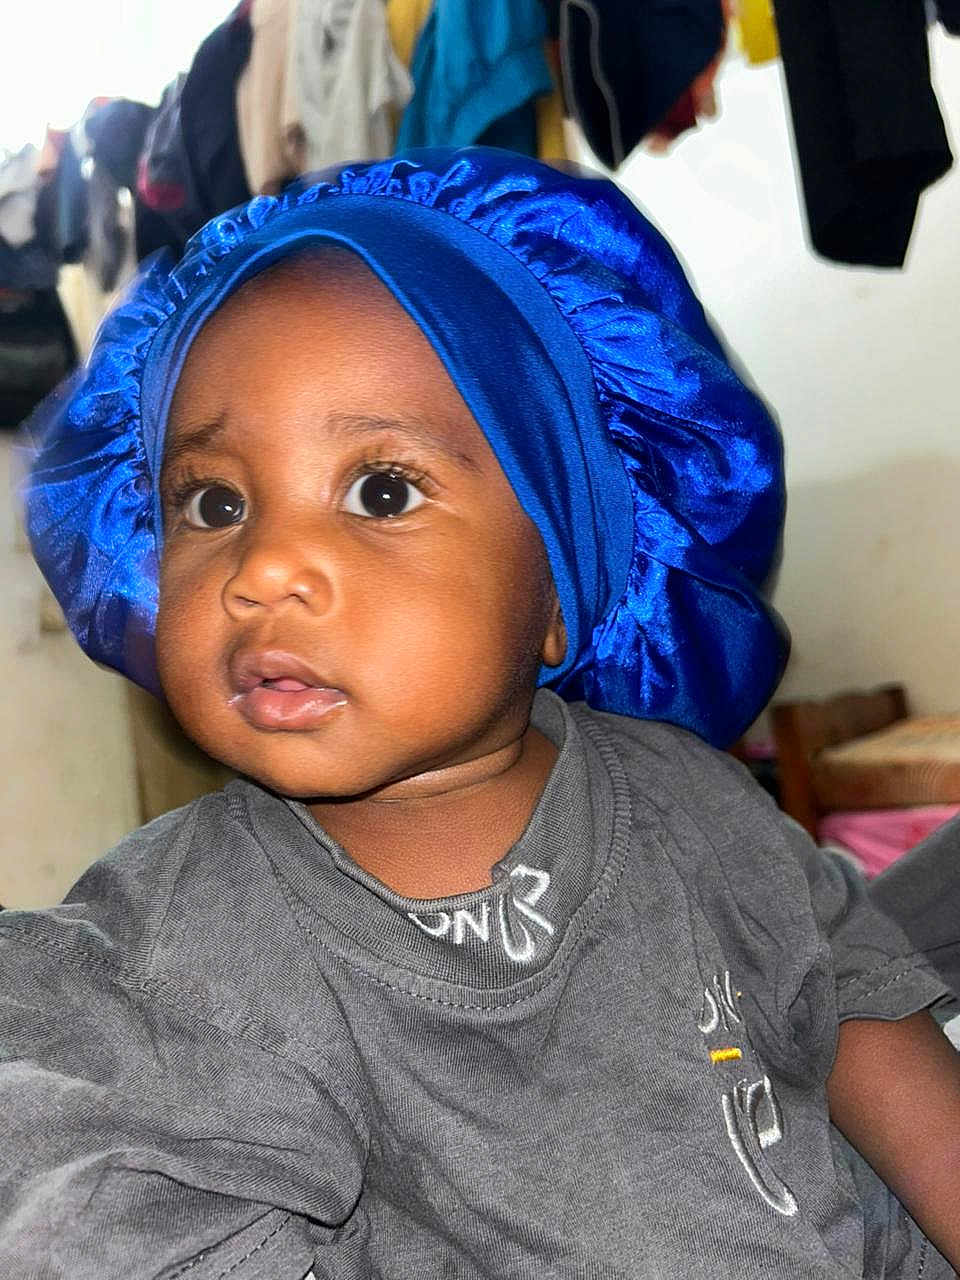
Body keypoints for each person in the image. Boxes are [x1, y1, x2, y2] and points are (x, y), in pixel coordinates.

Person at [4, 147, 960, 1279]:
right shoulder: (165, 957)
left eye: (380, 490)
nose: (263, 567)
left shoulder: (695, 805)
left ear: (559, 587)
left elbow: (850, 1001)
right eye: (214, 501)